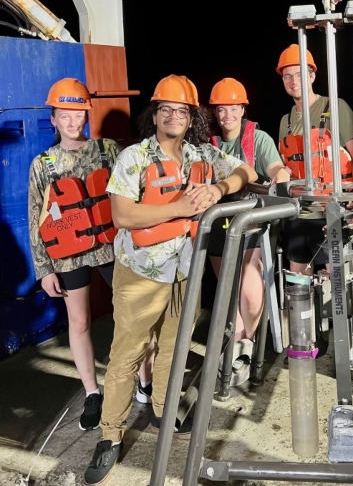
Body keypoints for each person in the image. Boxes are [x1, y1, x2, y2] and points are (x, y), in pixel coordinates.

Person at [83, 74, 257, 486]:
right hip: (141, 272)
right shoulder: (135, 158)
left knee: (173, 349)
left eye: (182, 111)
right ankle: (110, 435)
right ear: (156, 115)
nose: (174, 116)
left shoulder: (202, 154)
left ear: (191, 117)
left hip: (185, 271)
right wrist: (179, 208)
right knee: (127, 355)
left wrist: (218, 188)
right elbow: (123, 216)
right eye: (166, 110)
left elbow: (245, 171)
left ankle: (163, 410)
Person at [28, 78, 154, 433]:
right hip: (67, 257)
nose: (72, 122)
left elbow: (134, 192)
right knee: (79, 323)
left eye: (78, 114)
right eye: (64, 115)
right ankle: (92, 393)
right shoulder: (43, 164)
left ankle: (145, 382)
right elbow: (36, 216)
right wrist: (44, 270)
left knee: (132, 317)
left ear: (86, 114)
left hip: (112, 247)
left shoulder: (107, 150)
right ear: (53, 119)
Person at [208, 78, 291, 383]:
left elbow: (276, 169)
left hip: (252, 220)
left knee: (250, 282)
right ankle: (237, 342)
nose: (227, 115)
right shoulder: (207, 142)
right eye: (221, 109)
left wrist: (281, 177)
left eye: (233, 108)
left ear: (243, 108)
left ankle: (247, 342)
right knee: (229, 286)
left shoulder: (259, 139)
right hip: (218, 221)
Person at [276, 44, 353, 274]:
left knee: (334, 286)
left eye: (299, 74)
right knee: (298, 281)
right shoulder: (285, 120)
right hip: (296, 212)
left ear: (312, 75)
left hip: (331, 211)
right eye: (287, 76)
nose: (294, 81)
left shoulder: (335, 107)